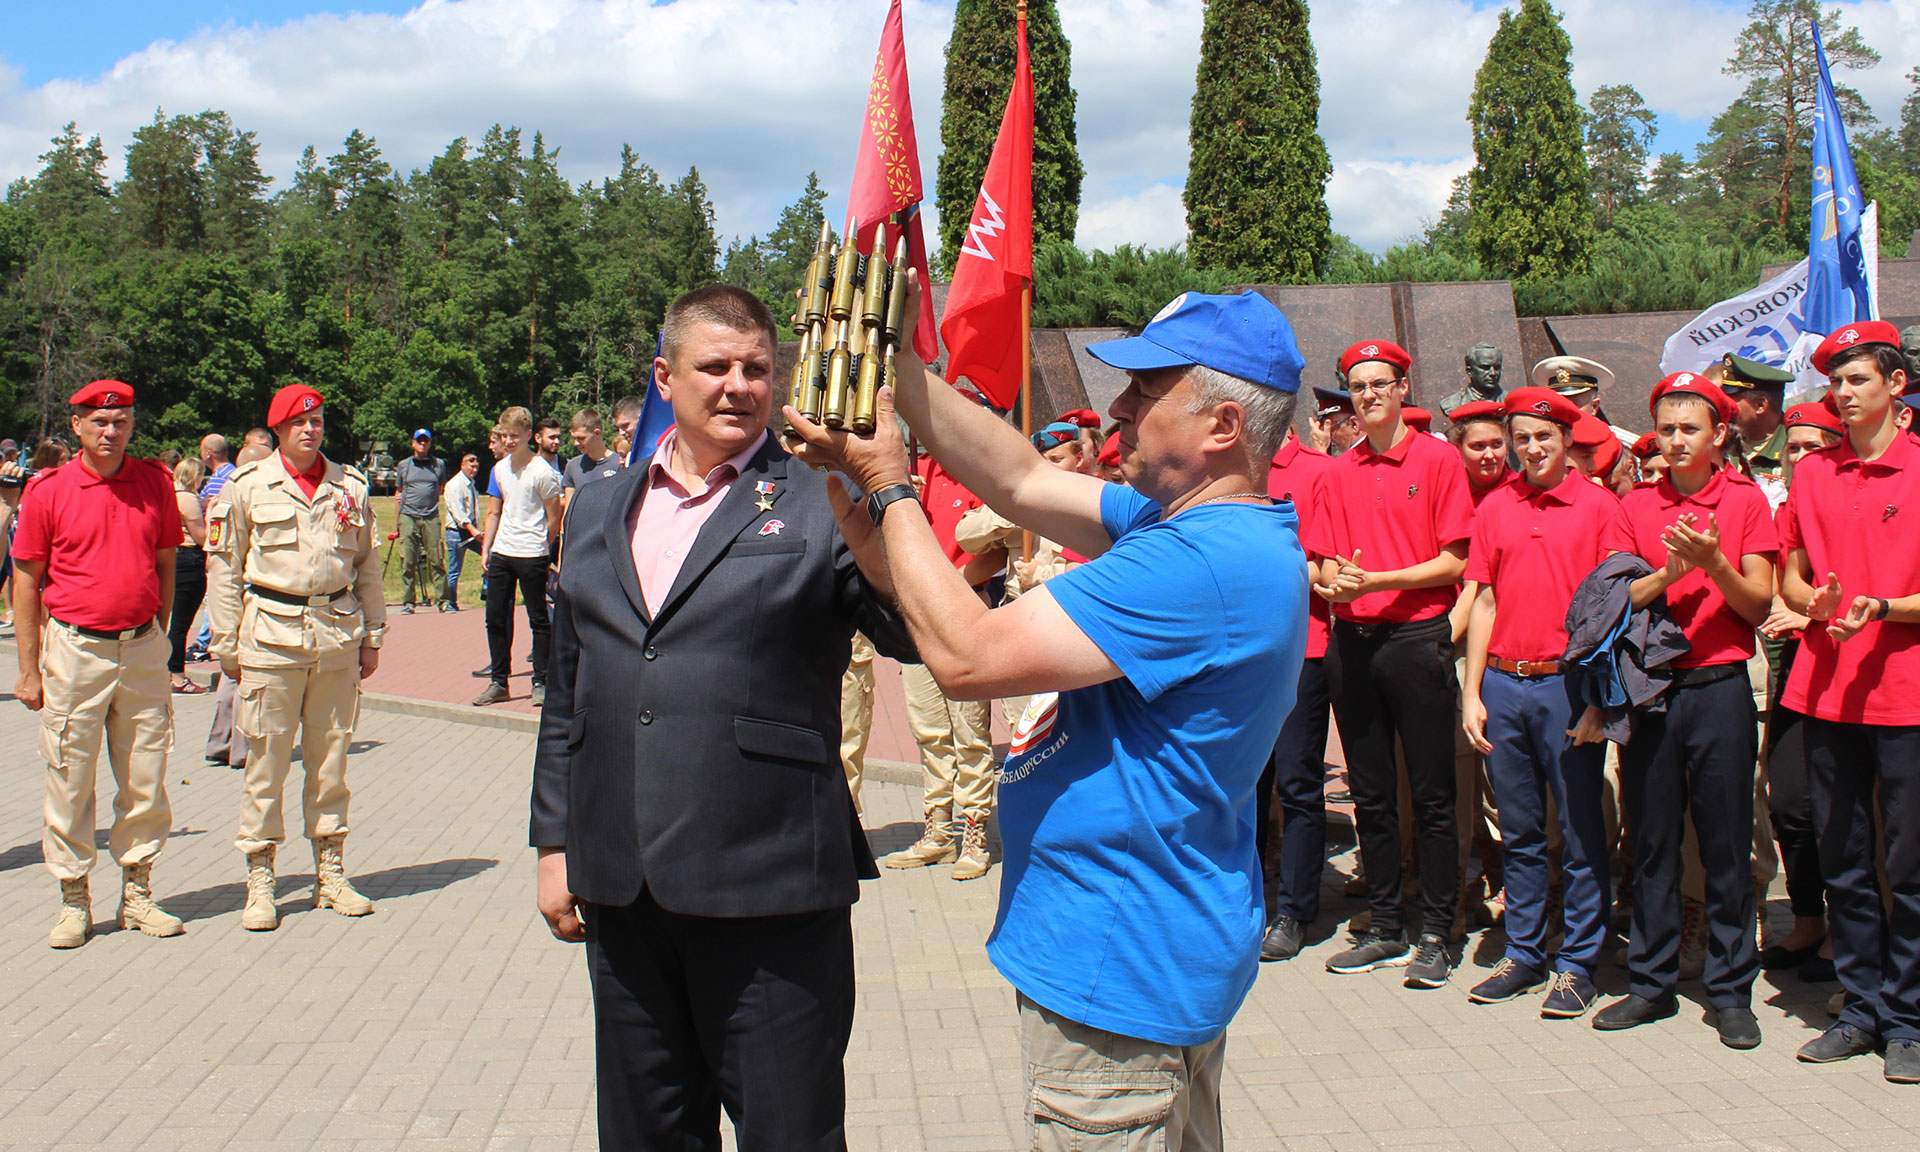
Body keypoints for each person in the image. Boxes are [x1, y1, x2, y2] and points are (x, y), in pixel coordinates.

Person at [785, 286, 1306, 1149]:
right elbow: (1020, 478)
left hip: (1121, 959)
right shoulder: (1198, 526)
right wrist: (899, 367)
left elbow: (968, 659)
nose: (1120, 408)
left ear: (1223, 425)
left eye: (1147, 390)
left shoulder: (1200, 561)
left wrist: (888, 486)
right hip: (1150, 943)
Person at [530, 284, 912, 1148]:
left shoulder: (820, 494)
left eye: (757, 369)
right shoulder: (599, 505)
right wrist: (554, 844)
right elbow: (569, 693)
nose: (739, 386)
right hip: (623, 887)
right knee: (646, 1133)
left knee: (790, 1133)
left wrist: (884, 513)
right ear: (665, 377)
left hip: (769, 888)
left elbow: (910, 634)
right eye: (716, 367)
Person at [1593, 373, 1775, 1050]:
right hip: (1651, 689)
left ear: (1719, 433)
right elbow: (1611, 599)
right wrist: (1669, 574)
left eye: (1689, 428)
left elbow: (1757, 604)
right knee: (1652, 841)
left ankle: (1731, 991)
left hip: (1719, 686)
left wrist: (1714, 562)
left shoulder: (1745, 499)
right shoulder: (1636, 503)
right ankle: (1651, 982)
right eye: (1666, 428)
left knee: (1725, 842)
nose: (1675, 440)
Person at [1778, 322, 1920, 1083]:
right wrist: (1815, 602)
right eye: (1835, 381)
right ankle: (1861, 1008)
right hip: (1826, 691)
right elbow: (1791, 578)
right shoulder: (1813, 474)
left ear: (1896, 385)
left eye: (1857, 379)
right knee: (1844, 862)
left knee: (1911, 868)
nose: (1842, 393)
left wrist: (1884, 609)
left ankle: (1910, 1018)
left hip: (1906, 696)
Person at [1308, 339, 1473, 989]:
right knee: (1371, 795)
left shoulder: (1438, 459)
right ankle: (1384, 926)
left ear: (1403, 388)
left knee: (1432, 795)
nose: (1369, 394)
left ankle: (1436, 931)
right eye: (1358, 386)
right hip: (1353, 644)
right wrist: (1335, 583)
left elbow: (1455, 561)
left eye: (1380, 383)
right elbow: (1323, 562)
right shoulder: (1337, 472)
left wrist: (1377, 580)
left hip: (1416, 639)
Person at [1460, 387, 1626, 1018]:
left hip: (1567, 685)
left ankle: (1578, 962)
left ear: (1566, 439)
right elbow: (1485, 600)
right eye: (1521, 438)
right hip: (1505, 684)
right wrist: (1472, 692)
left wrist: (1599, 700)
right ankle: (1525, 952)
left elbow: (1613, 613)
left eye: (1543, 437)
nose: (1531, 449)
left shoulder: (1600, 507)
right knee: (1521, 830)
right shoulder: (1496, 506)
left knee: (1580, 829)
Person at [206, 383, 387, 933]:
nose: (310, 430)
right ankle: (260, 878)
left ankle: (330, 872)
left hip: (336, 633)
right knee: (266, 764)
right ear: (279, 429)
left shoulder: (349, 485)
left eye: (317, 421)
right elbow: (224, 568)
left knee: (331, 761)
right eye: (298, 423)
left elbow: (367, 566)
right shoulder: (247, 486)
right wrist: (226, 643)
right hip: (270, 636)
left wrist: (373, 635)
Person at [12, 381, 184, 949]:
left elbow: (165, 563)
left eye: (122, 421)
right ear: (78, 426)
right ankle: (74, 899)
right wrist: (29, 668)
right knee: (70, 778)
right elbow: (26, 581)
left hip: (140, 649)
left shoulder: (154, 483)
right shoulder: (49, 490)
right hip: (76, 650)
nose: (111, 432)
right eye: (100, 422)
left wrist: (159, 635)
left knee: (145, 778)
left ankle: (138, 895)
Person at [1756, 399, 1846, 982]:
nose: (1802, 456)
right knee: (1789, 800)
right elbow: (1782, 579)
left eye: (1815, 446)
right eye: (1793, 447)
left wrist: (1810, 612)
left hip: (1848, 663)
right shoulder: (1787, 506)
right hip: (1797, 669)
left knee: (1843, 806)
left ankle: (1847, 930)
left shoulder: (1845, 496)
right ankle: (1808, 919)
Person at [885, 453, 1001, 882]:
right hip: (918, 618)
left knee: (969, 731)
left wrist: (945, 588)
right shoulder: (912, 471)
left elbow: (997, 553)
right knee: (929, 729)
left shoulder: (979, 472)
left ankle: (974, 832)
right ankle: (938, 830)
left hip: (965, 613)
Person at [1256, 426, 1335, 963]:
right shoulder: (1234, 471)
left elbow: (1324, 564)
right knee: (1245, 781)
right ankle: (1243, 898)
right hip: (1243, 647)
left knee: (1298, 782)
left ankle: (1295, 910)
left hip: (1303, 645)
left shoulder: (1318, 470)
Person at [474, 407, 561, 708]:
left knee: (538, 618)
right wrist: (487, 547)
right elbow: (493, 510)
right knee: (495, 617)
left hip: (532, 553)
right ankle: (499, 681)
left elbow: (554, 516)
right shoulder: (500, 469)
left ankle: (541, 681)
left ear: (528, 435)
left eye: (514, 435)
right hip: (502, 551)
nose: (508, 441)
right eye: (504, 436)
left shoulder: (542, 472)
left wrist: (542, 546)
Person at [202, 441, 274, 772]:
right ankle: (241, 747)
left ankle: (221, 742)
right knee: (248, 675)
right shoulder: (244, 497)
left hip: (235, 596)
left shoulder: (224, 495)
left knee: (231, 677)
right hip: (247, 597)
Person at [1720, 352, 1795, 504]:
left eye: (1731, 402)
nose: (1724, 408)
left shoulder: (1796, 448)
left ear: (1760, 405)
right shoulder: (1718, 442)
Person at [394, 429, 450, 613]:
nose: (423, 444)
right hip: (408, 515)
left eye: (426, 440)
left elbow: (440, 488)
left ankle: (443, 600)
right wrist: (398, 522)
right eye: (419, 440)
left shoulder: (438, 464)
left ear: (430, 443)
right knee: (408, 561)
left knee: (436, 559)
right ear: (413, 443)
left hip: (430, 516)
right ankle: (408, 602)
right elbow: (399, 493)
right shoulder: (404, 465)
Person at [167, 458, 209, 694]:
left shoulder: (170, 494)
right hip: (189, 557)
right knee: (181, 624)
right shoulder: (188, 499)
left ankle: (168, 672)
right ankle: (178, 676)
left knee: (173, 621)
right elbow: (201, 536)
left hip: (174, 556)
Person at [561, 408, 623, 514]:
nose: (576, 443)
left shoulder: (619, 463)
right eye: (574, 438)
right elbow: (568, 511)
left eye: (581, 438)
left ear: (597, 433)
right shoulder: (573, 466)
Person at [442, 452, 482, 607]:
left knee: (491, 556)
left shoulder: (470, 483)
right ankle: (450, 601)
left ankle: (488, 589)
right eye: (471, 466)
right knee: (454, 570)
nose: (474, 470)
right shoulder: (455, 485)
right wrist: (473, 530)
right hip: (457, 532)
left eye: (476, 467)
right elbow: (458, 512)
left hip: (471, 530)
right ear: (462, 465)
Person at [1440, 342, 1508, 416]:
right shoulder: (1450, 403)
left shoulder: (1511, 402)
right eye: (1485, 368)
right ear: (1469, 371)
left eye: (1497, 368)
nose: (1493, 373)